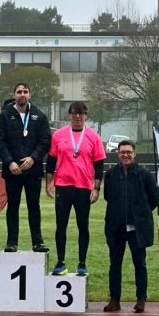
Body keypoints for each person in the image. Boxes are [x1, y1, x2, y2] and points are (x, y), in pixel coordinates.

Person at [45, 101, 105, 276]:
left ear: (86, 116)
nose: (77, 116)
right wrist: (49, 182)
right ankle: (61, 262)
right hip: (63, 186)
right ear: (69, 115)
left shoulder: (93, 136)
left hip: (83, 187)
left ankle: (82, 263)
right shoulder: (59, 135)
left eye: (81, 113)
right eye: (74, 113)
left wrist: (96, 188)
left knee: (83, 226)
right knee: (60, 225)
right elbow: (51, 160)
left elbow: (99, 164)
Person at [0, 82, 51, 253]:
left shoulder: (39, 116)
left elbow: (45, 140)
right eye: (19, 92)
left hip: (32, 169)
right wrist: (9, 162)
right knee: (13, 206)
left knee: (34, 205)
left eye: (25, 91)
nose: (22, 94)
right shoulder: (5, 115)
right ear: (14, 94)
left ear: (30, 95)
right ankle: (11, 242)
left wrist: (34, 158)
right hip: (12, 170)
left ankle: (37, 242)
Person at [102, 140, 159, 313]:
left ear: (135, 153)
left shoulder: (145, 174)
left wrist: (140, 213)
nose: (125, 155)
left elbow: (154, 198)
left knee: (140, 264)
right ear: (118, 154)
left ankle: (141, 299)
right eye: (122, 152)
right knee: (115, 264)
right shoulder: (111, 174)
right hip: (116, 227)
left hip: (137, 228)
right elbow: (108, 197)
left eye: (128, 152)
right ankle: (114, 300)